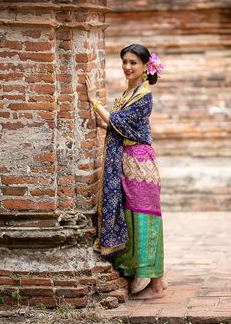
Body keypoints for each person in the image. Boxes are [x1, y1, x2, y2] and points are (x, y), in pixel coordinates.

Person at [87, 44, 167, 300]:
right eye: (124, 61)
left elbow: (117, 122)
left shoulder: (144, 95)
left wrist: (94, 100)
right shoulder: (129, 92)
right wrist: (98, 113)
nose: (127, 67)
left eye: (133, 62)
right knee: (134, 217)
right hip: (127, 161)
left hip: (140, 163)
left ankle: (155, 285)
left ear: (145, 67)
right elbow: (112, 125)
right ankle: (152, 280)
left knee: (145, 217)